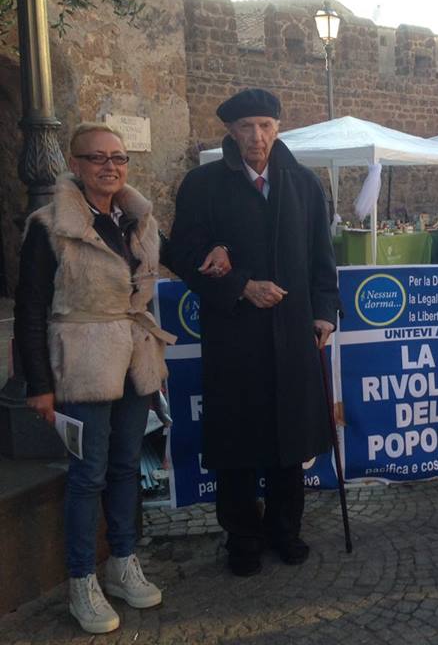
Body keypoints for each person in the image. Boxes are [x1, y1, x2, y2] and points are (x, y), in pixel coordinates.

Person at [166, 88, 340, 577]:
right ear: (231, 131)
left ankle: (286, 530)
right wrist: (241, 286)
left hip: (293, 335)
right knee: (239, 443)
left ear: (278, 128)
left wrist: (325, 312)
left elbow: (322, 263)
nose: (256, 136)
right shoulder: (201, 185)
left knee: (289, 443)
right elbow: (181, 254)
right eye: (246, 127)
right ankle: (242, 536)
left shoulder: (304, 185)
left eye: (264, 125)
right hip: (234, 338)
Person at [15, 123, 170, 633]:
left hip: (133, 361)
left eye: (119, 158)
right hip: (82, 363)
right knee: (88, 475)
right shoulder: (49, 225)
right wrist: (38, 383)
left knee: (127, 466)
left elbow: (174, 260)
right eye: (97, 158)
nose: (110, 166)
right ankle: (82, 577)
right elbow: (31, 309)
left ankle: (121, 561)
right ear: (76, 166)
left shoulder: (136, 221)